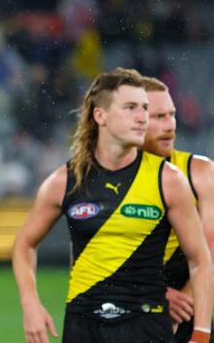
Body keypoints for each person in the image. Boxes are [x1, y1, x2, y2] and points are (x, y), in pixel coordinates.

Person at [12, 67, 213, 343]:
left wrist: (201, 334)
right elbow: (24, 244)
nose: (142, 117)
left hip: (147, 326)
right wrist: (30, 305)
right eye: (130, 107)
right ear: (100, 115)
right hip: (83, 326)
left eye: (144, 108)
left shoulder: (169, 180)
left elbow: (201, 260)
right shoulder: (65, 180)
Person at [141, 75, 214, 342]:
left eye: (172, 115)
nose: (170, 125)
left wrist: (181, 308)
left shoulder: (200, 172)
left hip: (187, 309)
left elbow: (210, 251)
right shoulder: (110, 178)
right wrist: (153, 296)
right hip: (127, 310)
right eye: (159, 116)